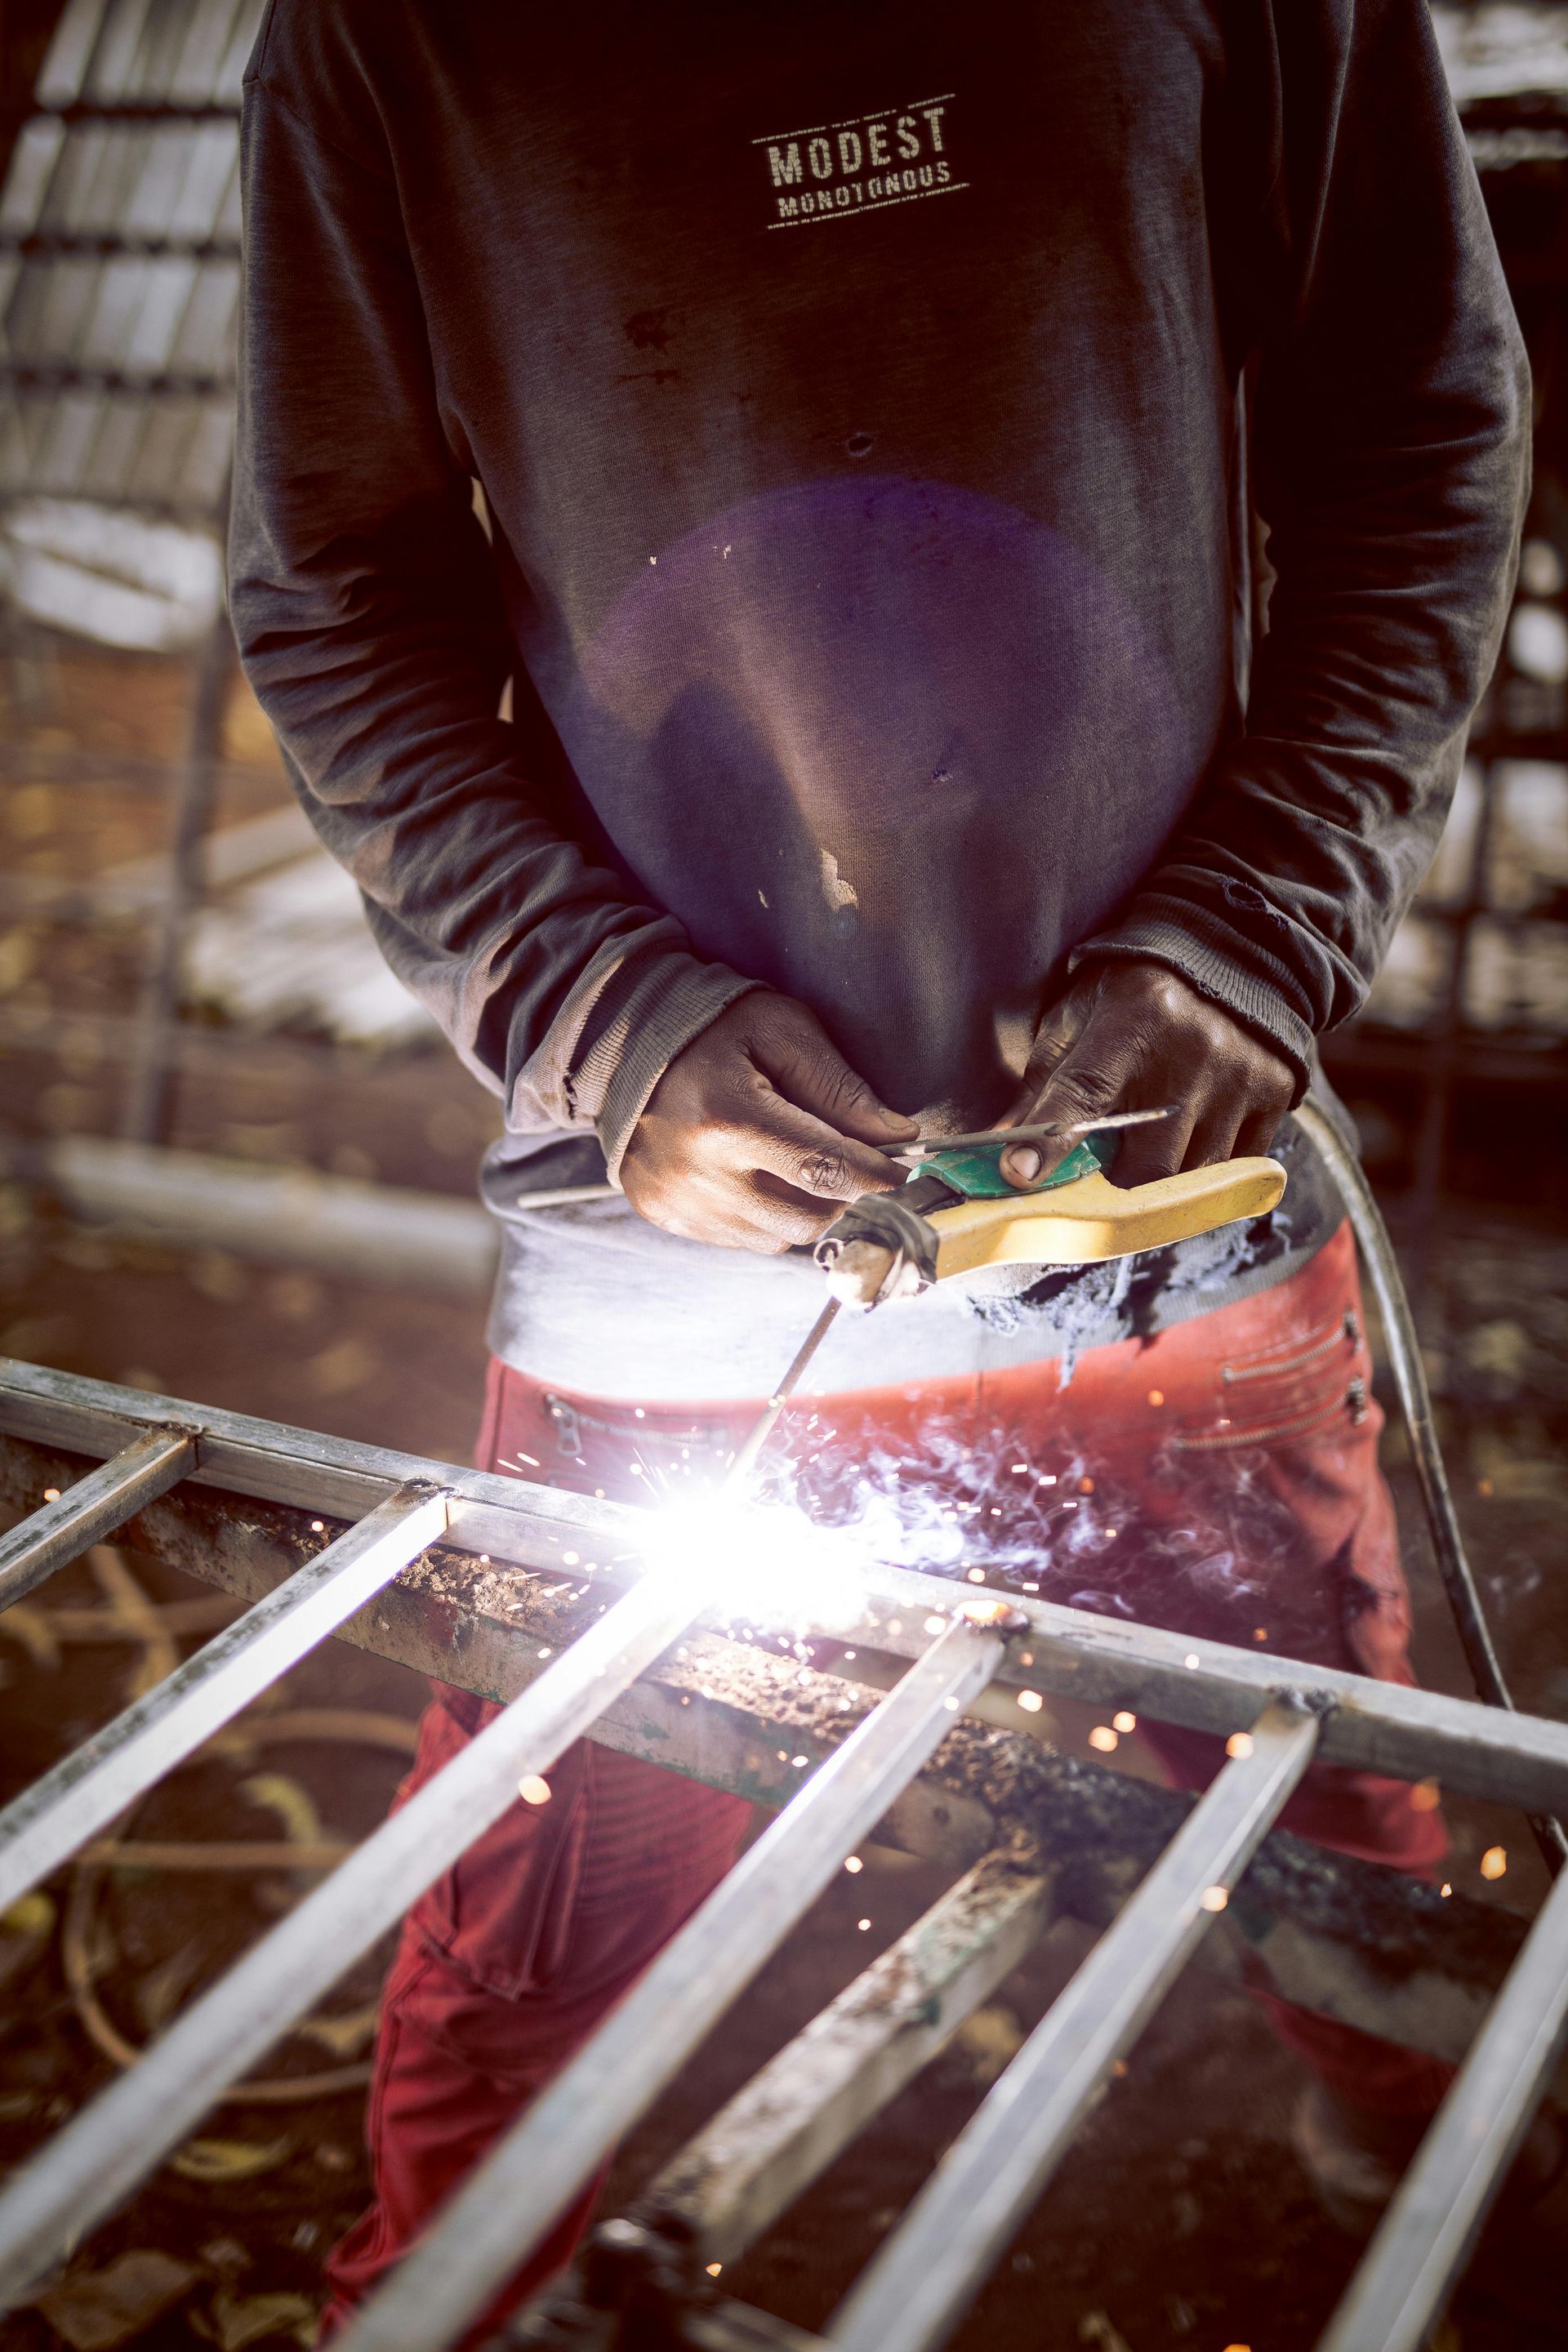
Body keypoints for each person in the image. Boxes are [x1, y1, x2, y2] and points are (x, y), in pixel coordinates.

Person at [229, 0, 1538, 2328]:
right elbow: (337, 586)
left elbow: (1416, 430)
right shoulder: (387, 38)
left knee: (1330, 1818)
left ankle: (1420, 2169)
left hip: (1168, 1208)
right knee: (546, 1938)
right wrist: (602, 1011)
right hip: (677, 1261)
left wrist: (1256, 925)